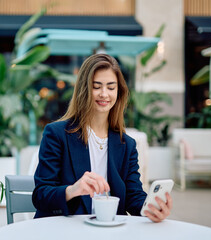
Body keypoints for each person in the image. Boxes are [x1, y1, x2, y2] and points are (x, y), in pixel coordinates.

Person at [32, 54, 172, 223]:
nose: (104, 94)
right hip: (64, 230)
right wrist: (73, 190)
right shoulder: (56, 134)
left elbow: (133, 196)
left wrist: (152, 208)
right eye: (96, 87)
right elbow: (41, 195)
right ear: (84, 89)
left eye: (111, 88)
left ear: (118, 93)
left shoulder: (126, 145)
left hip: (109, 231)